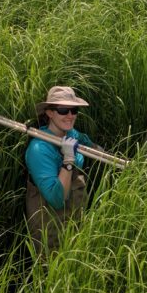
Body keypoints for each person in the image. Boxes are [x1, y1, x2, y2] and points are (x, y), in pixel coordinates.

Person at [24, 86, 95, 256]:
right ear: (50, 112)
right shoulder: (39, 149)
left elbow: (83, 139)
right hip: (50, 226)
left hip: (75, 218)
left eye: (74, 110)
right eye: (63, 110)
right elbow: (57, 199)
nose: (70, 115)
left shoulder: (70, 133)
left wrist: (97, 149)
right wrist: (68, 159)